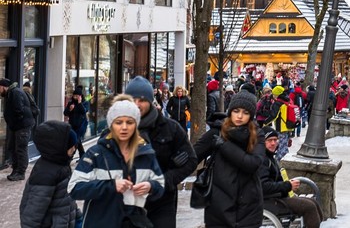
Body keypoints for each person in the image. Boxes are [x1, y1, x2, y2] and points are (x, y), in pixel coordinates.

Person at [68, 96, 165, 228]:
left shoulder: (146, 154)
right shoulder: (95, 154)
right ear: (111, 124)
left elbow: (160, 184)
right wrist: (111, 186)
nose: (124, 127)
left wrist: (150, 186)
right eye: (119, 122)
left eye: (129, 122)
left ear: (136, 125)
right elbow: (74, 188)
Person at [125, 76, 197, 228]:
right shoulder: (118, 127)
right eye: (133, 99)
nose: (137, 104)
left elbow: (191, 162)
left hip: (162, 201)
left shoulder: (170, 128)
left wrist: (162, 182)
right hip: (126, 201)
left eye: (142, 100)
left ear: (151, 101)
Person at [194, 91, 266, 228]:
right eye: (236, 111)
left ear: (251, 115)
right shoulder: (217, 132)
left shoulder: (257, 134)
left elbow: (254, 164)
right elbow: (193, 156)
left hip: (249, 208)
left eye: (245, 113)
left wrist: (225, 146)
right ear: (230, 111)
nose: (239, 116)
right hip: (218, 207)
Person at [19, 120, 77, 228]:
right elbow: (31, 215)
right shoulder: (45, 175)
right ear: (59, 147)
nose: (74, 149)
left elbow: (67, 199)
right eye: (71, 146)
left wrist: (77, 216)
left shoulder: (62, 165)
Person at [259, 130, 322, 227]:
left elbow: (276, 181)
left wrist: (288, 185)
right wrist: (288, 185)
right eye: (269, 140)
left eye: (275, 140)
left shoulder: (270, 158)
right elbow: (264, 186)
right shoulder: (262, 160)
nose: (273, 143)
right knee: (309, 206)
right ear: (262, 142)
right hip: (268, 201)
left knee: (313, 202)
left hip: (276, 197)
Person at [1, 77, 37, 181]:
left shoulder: (15, 92)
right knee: (12, 147)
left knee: (20, 148)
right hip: (16, 126)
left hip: (22, 126)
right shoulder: (10, 93)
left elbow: (18, 110)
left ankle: (21, 172)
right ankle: (15, 169)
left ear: (3, 87)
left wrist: (14, 121)